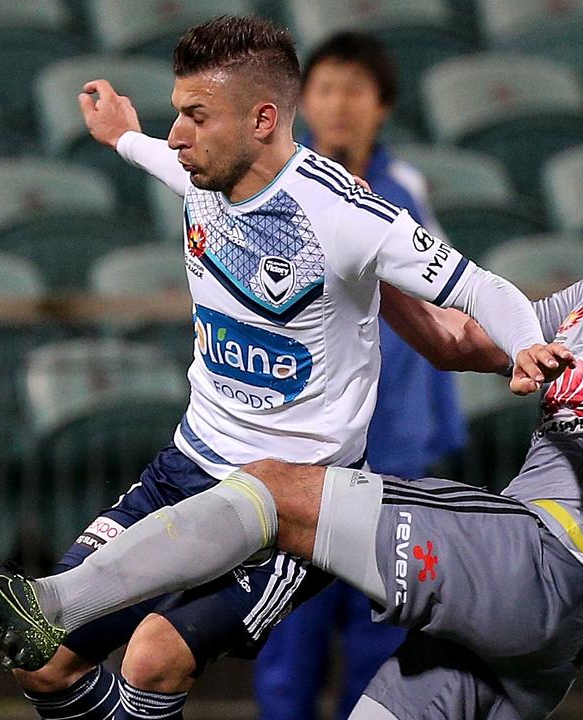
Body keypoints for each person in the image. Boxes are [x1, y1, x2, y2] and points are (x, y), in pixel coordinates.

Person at [0, 100, 583, 719]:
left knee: (281, 490)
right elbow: (450, 341)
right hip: (544, 634)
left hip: (553, 560)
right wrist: (365, 261)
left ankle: (50, 599)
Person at [0, 15, 564, 720]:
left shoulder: (345, 214)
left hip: (293, 501)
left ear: (261, 119)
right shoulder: (203, 175)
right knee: (44, 664)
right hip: (186, 469)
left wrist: (525, 340)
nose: (178, 136)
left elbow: (478, 286)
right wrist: (121, 135)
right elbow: (161, 158)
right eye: (175, 114)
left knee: (152, 660)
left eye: (195, 116)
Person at [253, 31, 466, 720]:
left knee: (383, 649)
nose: (338, 104)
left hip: (395, 460)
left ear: (383, 106)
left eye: (354, 90)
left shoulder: (407, 192)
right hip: (301, 460)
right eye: (325, 88)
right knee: (290, 641)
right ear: (301, 101)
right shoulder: (271, 188)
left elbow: (440, 312)